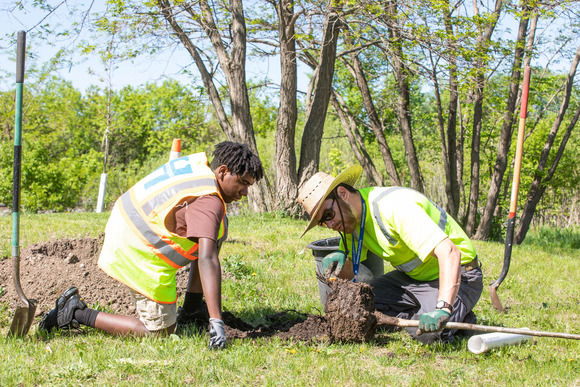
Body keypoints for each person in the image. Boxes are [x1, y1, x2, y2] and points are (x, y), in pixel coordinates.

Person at [39, 141, 264, 350]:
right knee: (158, 334)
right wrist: (216, 323)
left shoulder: (200, 169)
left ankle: (192, 309)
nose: (245, 193)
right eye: (243, 183)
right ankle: (75, 312)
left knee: (219, 227)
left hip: (126, 219)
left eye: (249, 186)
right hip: (136, 244)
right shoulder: (210, 201)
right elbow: (207, 259)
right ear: (223, 171)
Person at [297, 165, 483, 344]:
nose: (329, 225)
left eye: (328, 215)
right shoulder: (352, 222)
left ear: (343, 195)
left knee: (428, 335)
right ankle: (446, 314)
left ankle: (447, 311)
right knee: (359, 307)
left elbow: (450, 253)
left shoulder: (393, 208)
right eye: (322, 223)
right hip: (412, 279)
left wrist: (442, 308)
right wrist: (340, 263)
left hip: (460, 275)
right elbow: (351, 274)